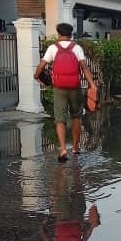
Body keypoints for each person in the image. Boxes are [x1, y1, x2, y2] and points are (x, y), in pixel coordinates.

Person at [34, 23, 96, 162]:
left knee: (60, 119)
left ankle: (62, 149)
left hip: (59, 88)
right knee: (76, 117)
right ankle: (75, 148)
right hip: (75, 87)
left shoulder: (53, 48)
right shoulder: (77, 48)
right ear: (71, 34)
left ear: (58, 33)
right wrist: (92, 85)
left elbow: (42, 65)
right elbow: (85, 68)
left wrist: (36, 76)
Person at [41, 163, 101, 241]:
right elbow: (47, 239)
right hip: (61, 219)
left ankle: (76, 167)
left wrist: (92, 224)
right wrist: (43, 226)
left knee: (78, 189)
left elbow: (87, 234)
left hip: (76, 218)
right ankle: (62, 168)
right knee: (62, 193)